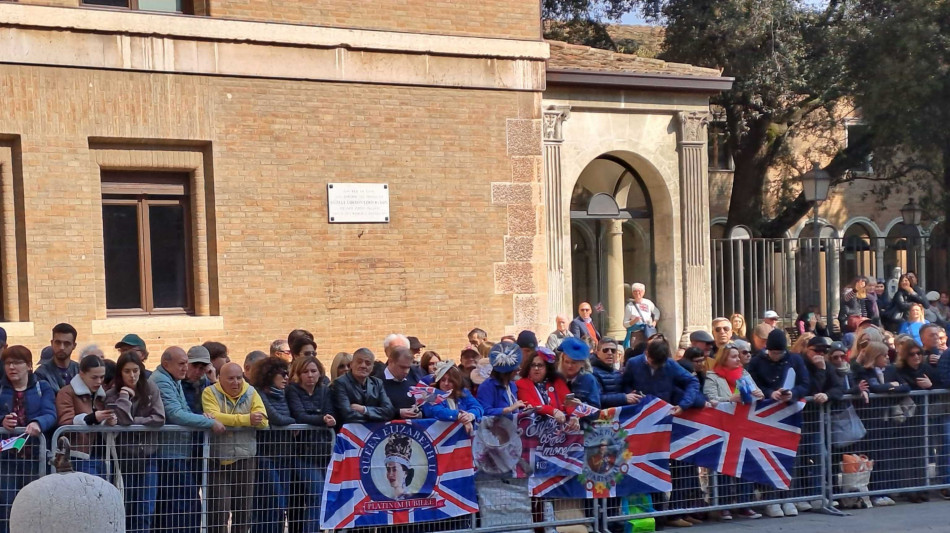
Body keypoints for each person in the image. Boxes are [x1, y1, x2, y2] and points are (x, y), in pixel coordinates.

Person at [621, 337, 701, 528]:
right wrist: (629, 395)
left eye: (658, 363)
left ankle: (665, 514)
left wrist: (683, 405)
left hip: (664, 423)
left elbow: (692, 383)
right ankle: (654, 515)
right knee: (647, 467)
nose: (653, 366)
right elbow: (622, 384)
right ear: (646, 354)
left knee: (666, 467)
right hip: (640, 423)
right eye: (650, 361)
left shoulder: (671, 365)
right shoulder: (633, 363)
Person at [150, 346, 223, 533]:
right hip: (170, 453)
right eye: (182, 364)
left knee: (185, 505)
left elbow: (185, 411)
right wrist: (209, 423)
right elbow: (176, 414)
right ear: (166, 364)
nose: (185, 368)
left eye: (185, 364)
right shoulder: (162, 381)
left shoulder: (173, 379)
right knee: (181, 505)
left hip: (180, 452)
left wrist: (204, 418)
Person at [746, 329, 810, 518]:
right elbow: (750, 384)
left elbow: (806, 383)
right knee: (768, 456)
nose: (776, 357)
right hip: (766, 417)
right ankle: (771, 498)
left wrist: (794, 393)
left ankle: (788, 497)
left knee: (791, 457)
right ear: (767, 349)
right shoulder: (757, 361)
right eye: (773, 353)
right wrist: (768, 393)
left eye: (779, 353)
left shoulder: (795, 360)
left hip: (790, 416)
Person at [203, 362, 268, 533]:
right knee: (218, 511)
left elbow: (263, 421)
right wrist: (246, 420)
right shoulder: (210, 392)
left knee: (243, 511)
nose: (236, 382)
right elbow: (213, 415)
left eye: (239, 378)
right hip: (217, 460)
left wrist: (233, 420)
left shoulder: (251, 392)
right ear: (220, 379)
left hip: (245, 458)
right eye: (230, 378)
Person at [703, 342, 764, 519]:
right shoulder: (712, 376)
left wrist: (759, 394)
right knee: (723, 467)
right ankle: (723, 506)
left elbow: (756, 391)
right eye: (734, 356)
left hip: (742, 426)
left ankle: (745, 504)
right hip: (721, 427)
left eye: (739, 356)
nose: (738, 359)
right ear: (724, 358)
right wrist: (731, 399)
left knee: (745, 464)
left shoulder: (744, 374)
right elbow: (711, 398)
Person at [106, 351, 166, 533]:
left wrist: (134, 421)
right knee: (125, 508)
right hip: (124, 458)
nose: (132, 375)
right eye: (127, 371)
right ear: (120, 373)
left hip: (148, 457)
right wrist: (124, 396)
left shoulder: (151, 388)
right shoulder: (111, 393)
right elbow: (120, 419)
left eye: (136, 370)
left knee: (145, 510)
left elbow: (159, 418)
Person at [0, 346, 57, 533]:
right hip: (7, 460)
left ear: (29, 366)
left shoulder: (43, 387)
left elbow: (51, 414)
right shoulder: (1, 389)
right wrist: (2, 421)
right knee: (7, 507)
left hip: (35, 458)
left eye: (17, 363)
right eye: (8, 363)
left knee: (35, 506)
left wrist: (38, 423)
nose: (11, 367)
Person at [852, 341, 910, 506]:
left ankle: (884, 491)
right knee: (873, 456)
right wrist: (890, 386)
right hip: (871, 420)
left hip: (887, 420)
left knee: (886, 456)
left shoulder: (892, 370)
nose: (886, 358)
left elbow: (906, 387)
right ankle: (874, 493)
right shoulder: (865, 371)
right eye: (883, 355)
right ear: (874, 356)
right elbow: (875, 388)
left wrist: (890, 387)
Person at [286, 355, 336, 533]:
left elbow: (330, 412)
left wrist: (321, 418)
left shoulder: (324, 390)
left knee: (323, 497)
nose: (310, 375)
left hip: (323, 451)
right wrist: (321, 418)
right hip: (302, 453)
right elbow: (299, 415)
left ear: (320, 372)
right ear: (298, 374)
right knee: (317, 492)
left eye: (313, 371)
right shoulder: (292, 390)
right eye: (305, 372)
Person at [252, 357, 296, 533]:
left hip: (285, 456)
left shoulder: (285, 394)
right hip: (266, 456)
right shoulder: (259, 393)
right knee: (273, 503)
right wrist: (294, 422)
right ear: (270, 374)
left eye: (288, 374)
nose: (286, 377)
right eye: (282, 374)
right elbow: (275, 417)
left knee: (280, 507)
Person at [55, 354, 116, 476]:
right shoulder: (67, 392)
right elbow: (65, 424)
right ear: (82, 374)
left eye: (102, 377)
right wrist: (92, 418)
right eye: (94, 377)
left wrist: (109, 422)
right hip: (77, 455)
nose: (99, 382)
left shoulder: (101, 395)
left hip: (101, 455)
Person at [895, 340, 937, 503]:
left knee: (922, 454)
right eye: (912, 354)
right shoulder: (899, 370)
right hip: (905, 419)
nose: (916, 357)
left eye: (919, 353)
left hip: (923, 418)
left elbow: (938, 386)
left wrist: (930, 386)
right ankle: (910, 489)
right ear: (905, 356)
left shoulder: (926, 369)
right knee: (907, 454)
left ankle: (922, 489)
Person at [516, 347, 578, 427]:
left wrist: (573, 416)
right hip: (536, 428)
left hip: (561, 427)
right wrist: (553, 411)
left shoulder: (556, 381)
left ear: (547, 368)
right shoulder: (521, 383)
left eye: (540, 365)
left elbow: (569, 401)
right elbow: (532, 405)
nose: (536, 368)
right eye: (533, 365)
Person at [332, 348, 395, 423]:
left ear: (372, 367)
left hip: (374, 430)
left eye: (368, 363)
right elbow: (347, 414)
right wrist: (377, 416)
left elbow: (389, 411)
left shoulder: (377, 383)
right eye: (359, 362)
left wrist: (364, 410)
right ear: (351, 364)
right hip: (350, 431)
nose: (363, 366)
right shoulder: (340, 383)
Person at [423, 361, 483, 434]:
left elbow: (478, 408)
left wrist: (469, 416)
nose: (446, 383)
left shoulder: (464, 392)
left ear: (457, 381)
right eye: (443, 380)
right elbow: (436, 411)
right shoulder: (431, 395)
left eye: (451, 380)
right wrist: (459, 415)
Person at [475, 341, 525, 417]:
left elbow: (514, 409)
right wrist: (508, 409)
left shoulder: (512, 385)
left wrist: (523, 410)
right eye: (515, 369)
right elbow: (484, 411)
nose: (518, 370)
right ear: (506, 372)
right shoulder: (487, 386)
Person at [590, 337, 638, 408]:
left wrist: (630, 394)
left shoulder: (617, 372)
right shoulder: (592, 372)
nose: (609, 353)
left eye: (613, 350)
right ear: (597, 352)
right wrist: (624, 398)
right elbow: (596, 398)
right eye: (605, 350)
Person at [376, 347, 422, 420]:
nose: (406, 371)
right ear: (390, 361)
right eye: (402, 367)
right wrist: (398, 413)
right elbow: (374, 410)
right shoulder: (377, 382)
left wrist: (420, 412)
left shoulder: (414, 376)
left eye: (408, 367)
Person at [34, 323, 80, 394]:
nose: (61, 347)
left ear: (74, 346)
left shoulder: (80, 371)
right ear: (52, 343)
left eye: (66, 343)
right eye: (58, 343)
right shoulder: (41, 373)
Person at [558, 337, 601, 408]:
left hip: (582, 418)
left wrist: (581, 406)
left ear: (582, 363)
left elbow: (596, 409)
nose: (569, 366)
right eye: (566, 362)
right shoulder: (557, 378)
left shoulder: (589, 380)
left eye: (574, 363)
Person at [623, 283, 660, 347]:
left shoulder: (648, 303)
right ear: (632, 293)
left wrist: (654, 322)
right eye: (635, 291)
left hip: (648, 333)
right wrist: (634, 321)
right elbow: (625, 324)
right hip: (636, 333)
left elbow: (657, 312)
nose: (637, 293)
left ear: (643, 292)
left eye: (639, 291)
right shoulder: (629, 306)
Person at [182, 345, 213, 414]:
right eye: (194, 366)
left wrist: (213, 381)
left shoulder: (207, 383)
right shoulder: (176, 382)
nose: (197, 372)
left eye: (202, 368)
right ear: (186, 363)